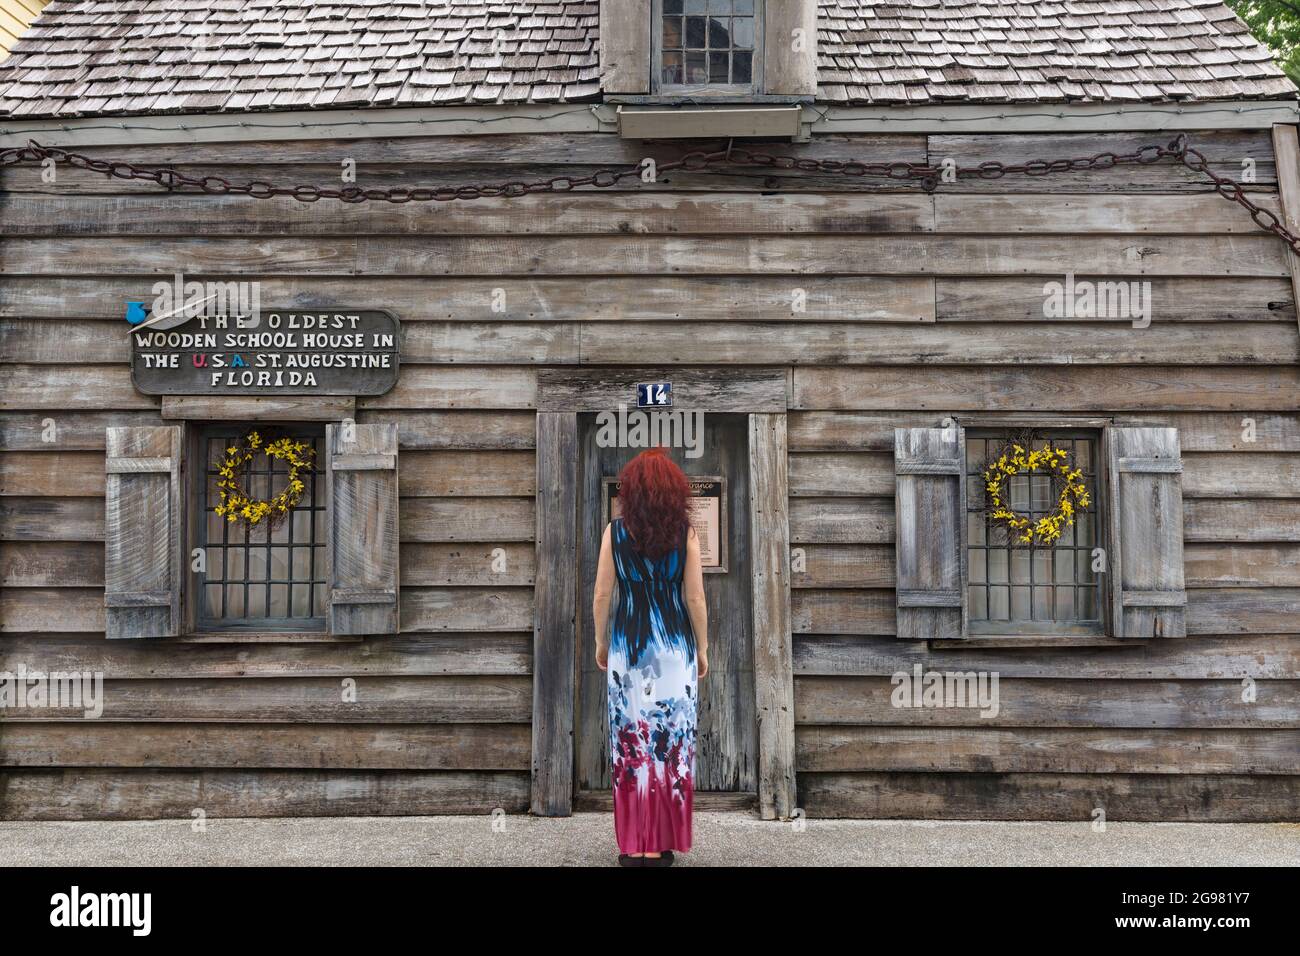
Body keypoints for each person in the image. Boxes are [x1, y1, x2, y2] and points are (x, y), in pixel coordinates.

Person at [592, 447, 709, 867]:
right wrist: (702, 647)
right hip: (674, 649)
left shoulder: (614, 532)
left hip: (629, 647)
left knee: (631, 743)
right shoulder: (686, 534)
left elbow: (603, 593)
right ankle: (659, 846)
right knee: (669, 745)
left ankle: (633, 846)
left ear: (631, 492)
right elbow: (694, 596)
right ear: (674, 492)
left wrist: (601, 642)